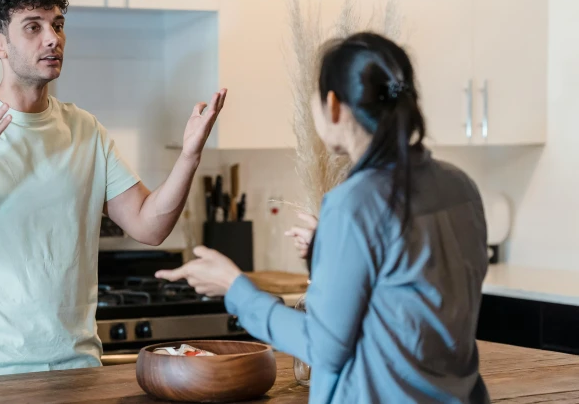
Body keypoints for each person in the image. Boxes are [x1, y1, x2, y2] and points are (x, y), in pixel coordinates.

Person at [0, 0, 226, 380]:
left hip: (76, 371)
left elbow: (149, 226)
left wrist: (189, 156)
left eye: (57, 25)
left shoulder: (85, 130)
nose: (53, 38)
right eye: (33, 28)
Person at [157, 32, 490, 403]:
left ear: (332, 104)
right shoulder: (462, 186)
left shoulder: (354, 203)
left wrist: (235, 288)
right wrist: (328, 248)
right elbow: (412, 300)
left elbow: (323, 346)